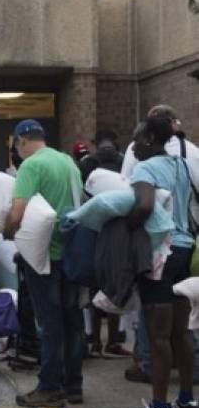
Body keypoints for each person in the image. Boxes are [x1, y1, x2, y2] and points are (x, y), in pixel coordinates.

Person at [121, 116, 198, 408]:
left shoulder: (145, 169)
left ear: (150, 138)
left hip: (160, 254)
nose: (134, 145)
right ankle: (187, 399)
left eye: (138, 139)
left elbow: (143, 205)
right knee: (181, 331)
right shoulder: (181, 166)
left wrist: (125, 229)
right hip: (184, 250)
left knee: (158, 335)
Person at [4, 119, 84, 408]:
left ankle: (49, 387)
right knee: (72, 320)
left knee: (49, 323)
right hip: (71, 254)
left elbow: (17, 213)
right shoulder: (67, 162)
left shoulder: (31, 166)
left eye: (15, 145)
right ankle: (73, 385)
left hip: (44, 257)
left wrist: (7, 232)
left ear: (21, 141)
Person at [78, 130, 131, 358]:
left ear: (95, 144)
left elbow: (81, 194)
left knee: (93, 285)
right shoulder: (122, 161)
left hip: (93, 227)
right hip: (118, 228)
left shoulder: (87, 163)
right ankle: (112, 341)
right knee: (115, 282)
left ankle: (95, 341)